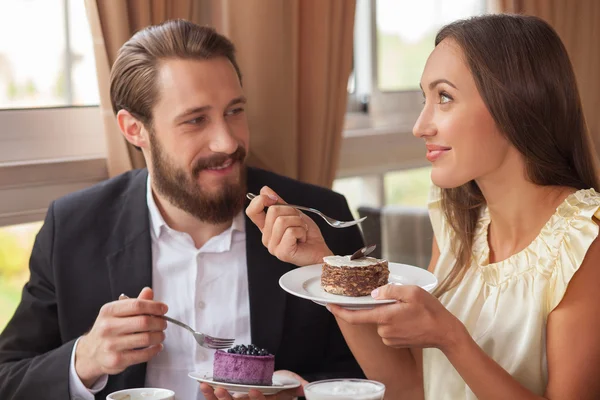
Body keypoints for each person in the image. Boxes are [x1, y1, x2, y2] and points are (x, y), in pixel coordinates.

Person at [0, 19, 365, 400]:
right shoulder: (73, 229)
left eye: (235, 111)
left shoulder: (322, 219)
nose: (227, 142)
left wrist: (304, 395)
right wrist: (85, 359)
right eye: (195, 120)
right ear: (133, 129)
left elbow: (374, 374)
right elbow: (7, 377)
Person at [245, 14, 600, 400]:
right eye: (424, 99)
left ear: (515, 103)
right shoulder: (456, 229)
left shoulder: (585, 242)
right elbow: (410, 389)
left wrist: (452, 339)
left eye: (444, 97)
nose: (420, 125)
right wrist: (326, 269)